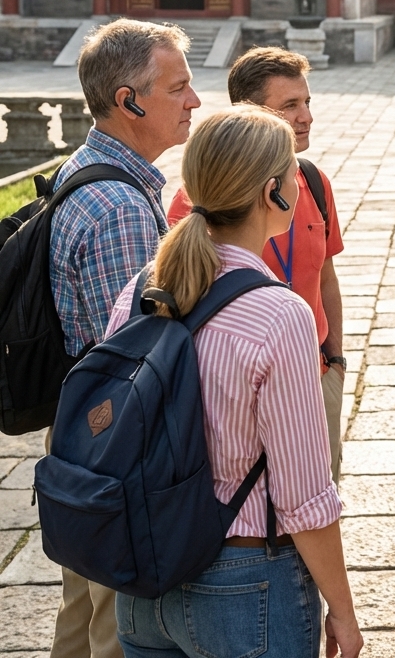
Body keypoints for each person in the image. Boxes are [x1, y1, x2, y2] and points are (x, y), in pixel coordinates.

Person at [107, 106, 362, 658]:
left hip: (142, 577)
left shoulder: (140, 291)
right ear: (275, 193)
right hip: (242, 580)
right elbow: (304, 498)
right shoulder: (278, 314)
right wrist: (341, 608)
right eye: (294, 175)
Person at [49, 18, 200, 658]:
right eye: (178, 88)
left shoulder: (88, 167)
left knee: (79, 612)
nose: (194, 101)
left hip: (81, 426)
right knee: (115, 628)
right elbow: (137, 359)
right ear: (128, 100)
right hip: (115, 441)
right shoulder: (122, 210)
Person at [167, 47, 347, 482]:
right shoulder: (198, 204)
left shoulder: (314, 182)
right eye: (290, 105)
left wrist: (336, 362)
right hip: (240, 396)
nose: (305, 116)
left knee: (320, 496)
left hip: (315, 374)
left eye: (307, 102)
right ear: (249, 115)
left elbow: (325, 275)